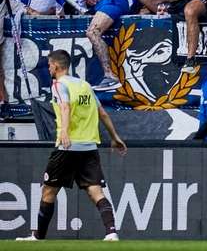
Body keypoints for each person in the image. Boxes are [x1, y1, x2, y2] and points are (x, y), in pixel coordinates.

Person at [16, 50, 126, 242]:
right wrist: (115, 137)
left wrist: (65, 131)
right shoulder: (85, 86)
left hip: (67, 147)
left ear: (56, 66)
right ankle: (111, 233)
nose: (49, 68)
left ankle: (37, 238)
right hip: (89, 146)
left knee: (49, 190)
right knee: (96, 191)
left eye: (49, 65)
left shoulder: (58, 84)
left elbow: (65, 107)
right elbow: (103, 113)